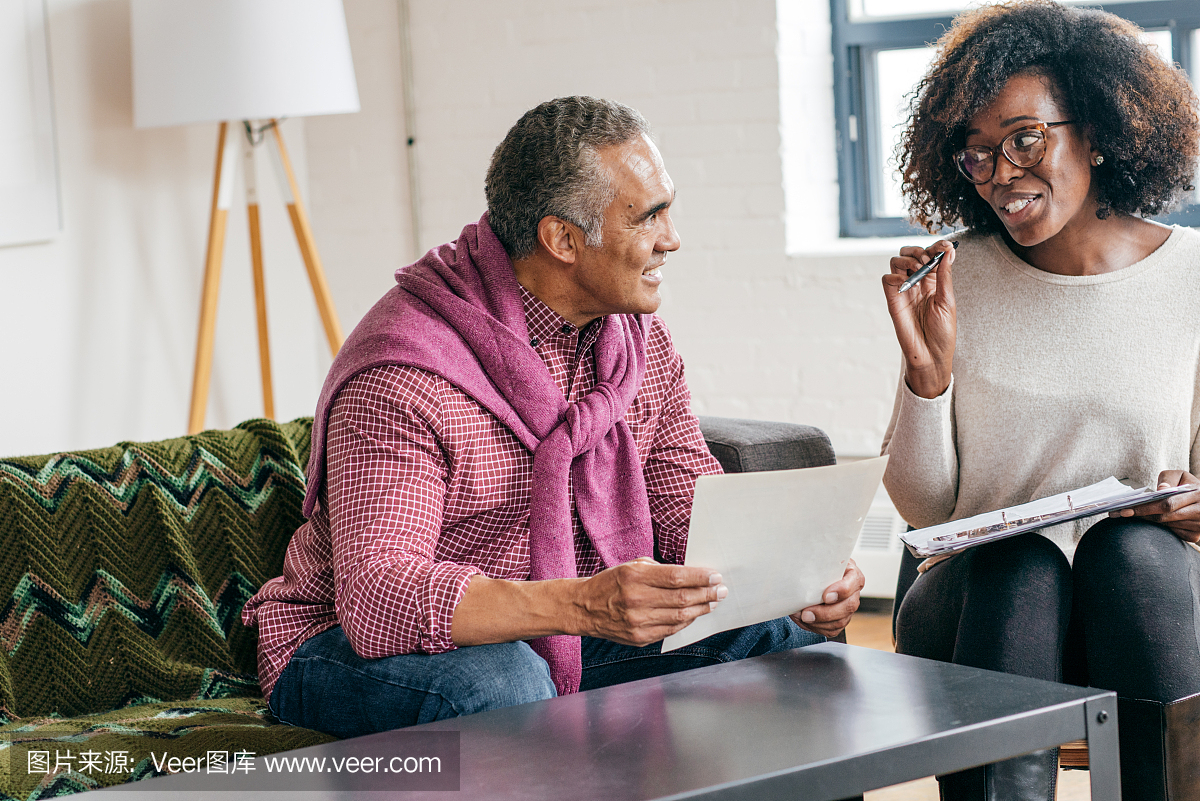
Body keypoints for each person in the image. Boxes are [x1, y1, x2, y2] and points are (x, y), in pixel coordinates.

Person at [242, 96, 865, 739]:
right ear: (563, 239)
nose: (672, 239)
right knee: (506, 684)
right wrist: (584, 604)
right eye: (649, 217)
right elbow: (380, 600)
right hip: (345, 651)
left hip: (565, 634)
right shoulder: (404, 372)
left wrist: (799, 579)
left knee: (785, 644)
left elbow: (690, 507)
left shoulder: (638, 345)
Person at [878, 2, 1200, 800]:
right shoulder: (952, 278)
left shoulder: (1191, 274)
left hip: (1145, 604)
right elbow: (924, 513)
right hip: (979, 613)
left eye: (1025, 138)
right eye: (977, 153)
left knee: (1132, 554)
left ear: (1095, 129)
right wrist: (928, 374)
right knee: (1019, 561)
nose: (1000, 173)